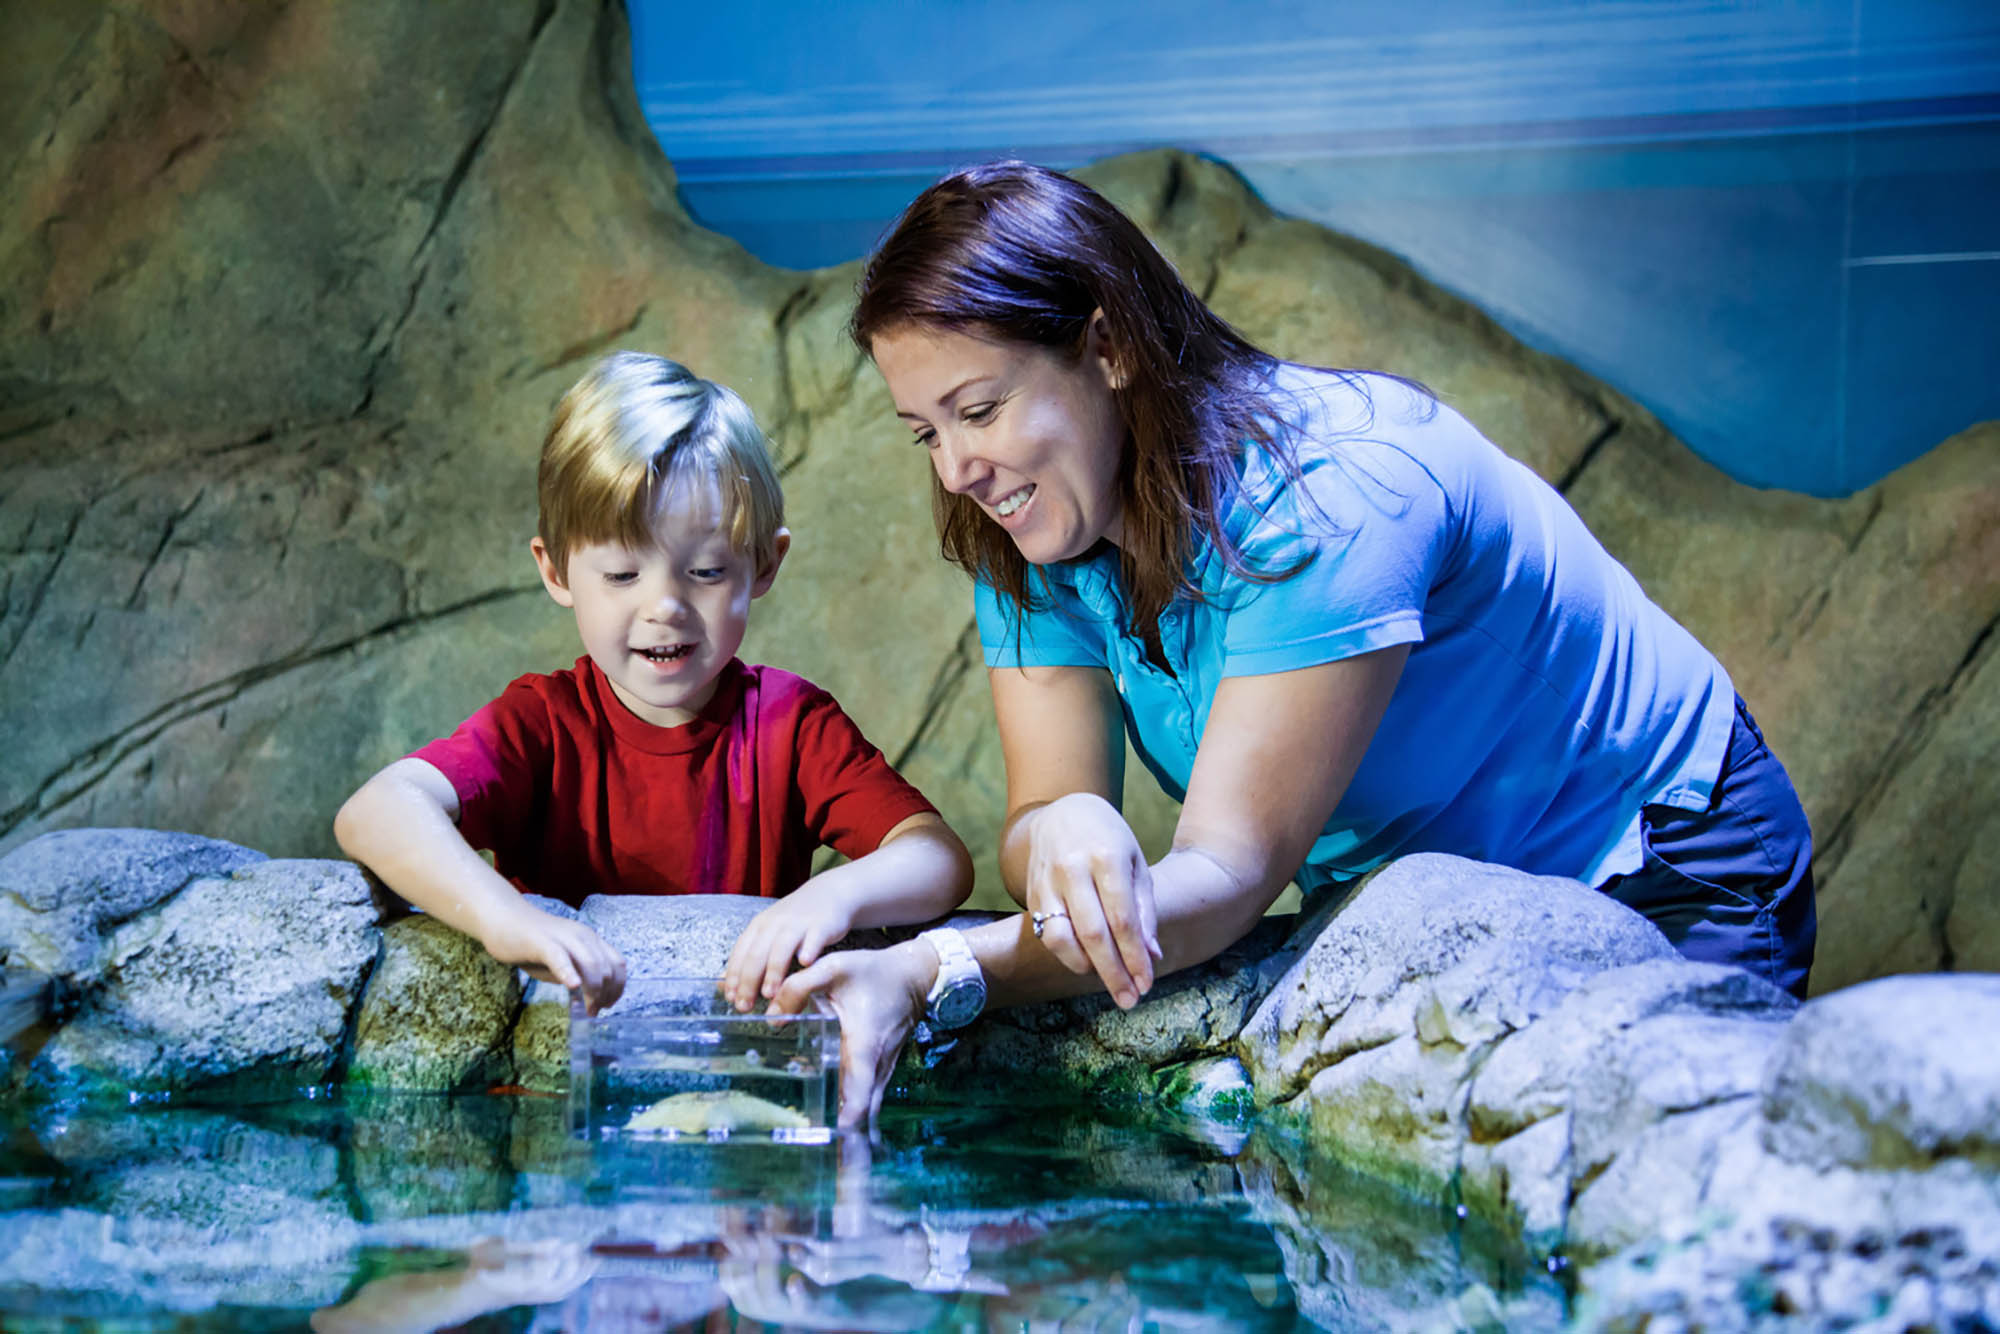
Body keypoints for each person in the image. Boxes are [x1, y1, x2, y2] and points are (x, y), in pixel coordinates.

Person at [772, 160, 1816, 1129]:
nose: (955, 469)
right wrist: (1062, 822)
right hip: (1416, 890)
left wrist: (928, 969)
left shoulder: (1331, 496)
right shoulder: (1030, 526)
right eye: (925, 431)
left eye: (980, 409)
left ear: (1107, 346)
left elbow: (1223, 878)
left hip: (1644, 856)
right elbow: (1038, 817)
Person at [335, 352, 975, 1015]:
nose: (664, 606)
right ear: (555, 571)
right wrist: (507, 920)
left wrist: (831, 897)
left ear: (763, 564)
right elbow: (377, 811)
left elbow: (937, 858)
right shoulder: (541, 723)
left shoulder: (792, 724)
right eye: (621, 575)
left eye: (704, 572)